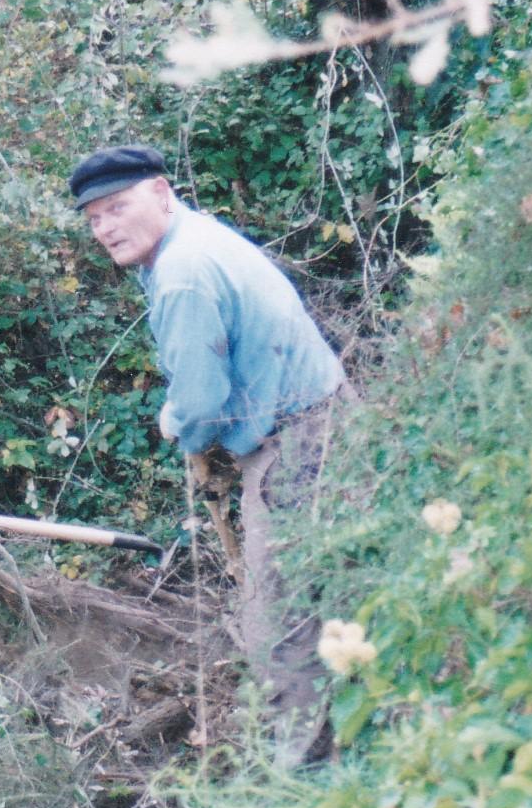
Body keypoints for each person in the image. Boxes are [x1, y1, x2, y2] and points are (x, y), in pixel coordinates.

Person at [69, 143, 349, 764]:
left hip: (298, 443)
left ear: (163, 193)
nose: (106, 227)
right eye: (94, 218)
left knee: (276, 623)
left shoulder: (182, 274)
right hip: (323, 419)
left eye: (118, 207)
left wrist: (181, 428)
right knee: (336, 587)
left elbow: (199, 404)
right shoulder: (193, 238)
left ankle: (303, 774)